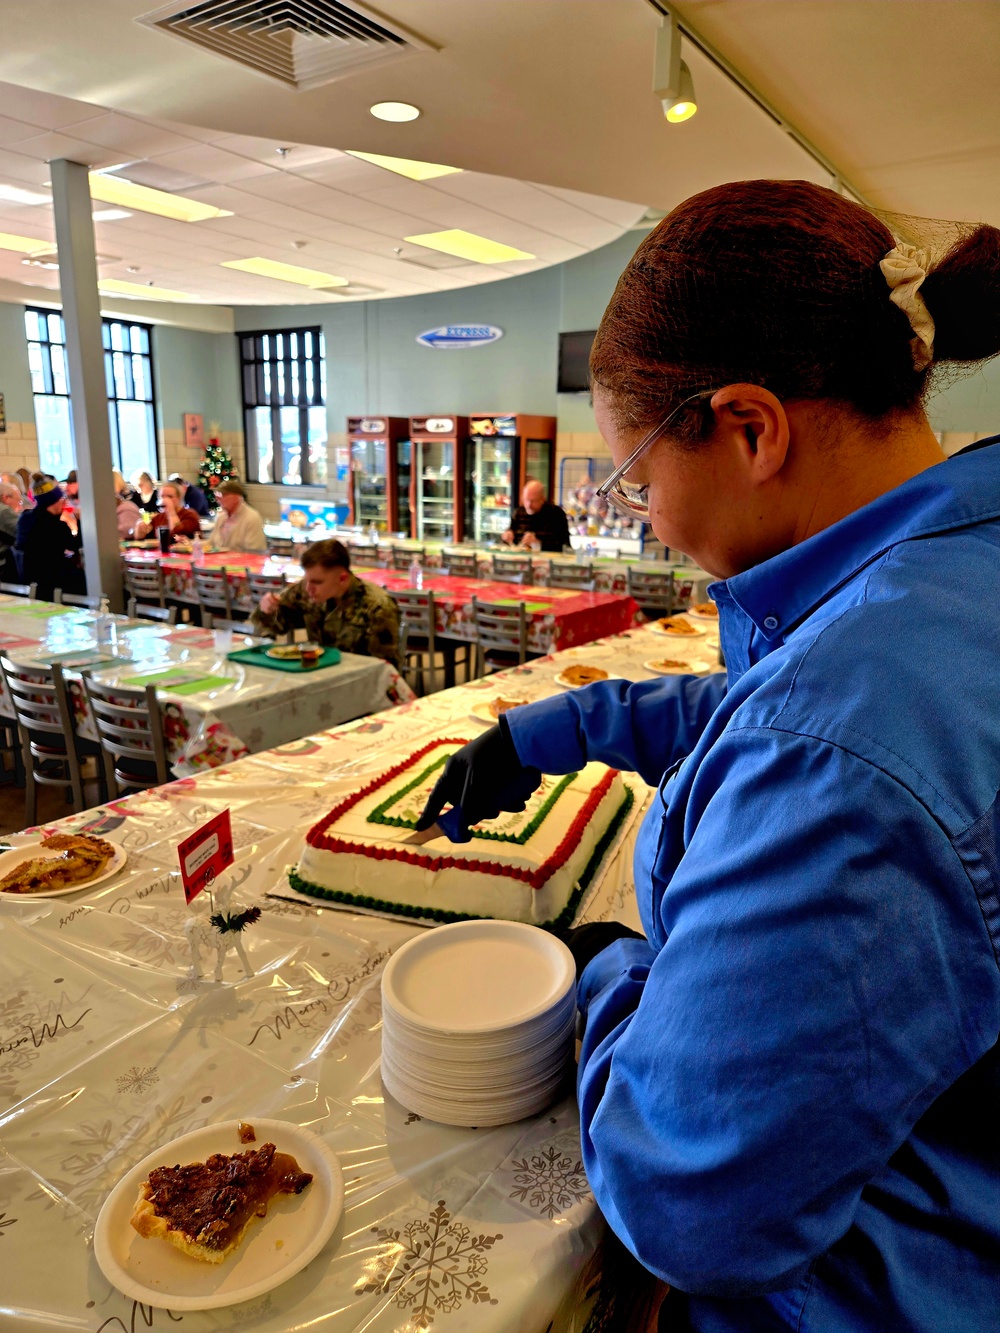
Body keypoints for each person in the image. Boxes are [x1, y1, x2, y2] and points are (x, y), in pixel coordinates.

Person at [415, 180, 1000, 1331]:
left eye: (638, 481)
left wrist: (607, 973)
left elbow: (690, 1203)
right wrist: (556, 729)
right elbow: (775, 704)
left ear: (747, 426)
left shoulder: (845, 756)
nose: (649, 524)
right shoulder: (945, 564)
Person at [252, 538, 399, 667]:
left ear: (342, 579)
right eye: (306, 580)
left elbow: (383, 668)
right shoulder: (306, 590)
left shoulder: (377, 606)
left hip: (355, 682)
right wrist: (266, 609)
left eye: (317, 582)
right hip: (316, 672)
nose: (309, 588)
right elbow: (276, 627)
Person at [14, 473, 84, 600]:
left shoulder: (25, 519)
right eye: (61, 499)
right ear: (53, 501)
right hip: (52, 584)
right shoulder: (54, 525)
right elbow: (76, 545)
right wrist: (80, 521)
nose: (63, 502)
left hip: (28, 580)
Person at [501, 479, 570, 552]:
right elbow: (512, 538)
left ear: (542, 499)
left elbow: (564, 545)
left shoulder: (556, 514)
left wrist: (537, 543)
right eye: (526, 500)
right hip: (522, 559)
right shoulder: (519, 512)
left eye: (533, 501)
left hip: (547, 560)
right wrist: (507, 536)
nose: (529, 505)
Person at [206, 479, 266, 553]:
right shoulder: (221, 517)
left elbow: (254, 551)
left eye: (221, 495)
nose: (217, 498)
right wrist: (192, 544)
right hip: (218, 562)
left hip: (241, 563)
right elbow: (211, 543)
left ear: (235, 498)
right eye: (216, 494)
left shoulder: (251, 518)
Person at [133, 480, 200, 545]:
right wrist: (139, 529)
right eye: (162, 497)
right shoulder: (158, 517)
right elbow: (144, 539)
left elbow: (177, 532)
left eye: (169, 497)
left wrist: (171, 512)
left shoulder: (190, 515)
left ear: (178, 498)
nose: (165, 500)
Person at [0, 481, 23, 582]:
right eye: (18, 501)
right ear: (6, 498)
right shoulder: (4, 512)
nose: (19, 505)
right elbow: (23, 532)